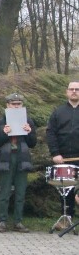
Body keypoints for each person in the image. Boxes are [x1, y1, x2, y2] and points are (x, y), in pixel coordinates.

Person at [0, 93, 36, 233]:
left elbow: (33, 143)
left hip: (22, 159)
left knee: (21, 193)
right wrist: (4, 133)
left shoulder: (28, 121)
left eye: (19, 104)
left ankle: (18, 221)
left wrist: (29, 132)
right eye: (13, 104)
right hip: (6, 159)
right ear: (7, 105)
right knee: (4, 192)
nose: (16, 106)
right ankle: (2, 221)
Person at [46, 80, 79, 225]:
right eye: (71, 89)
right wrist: (55, 153)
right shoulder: (58, 112)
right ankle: (67, 219)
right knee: (66, 190)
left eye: (77, 89)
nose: (74, 91)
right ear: (67, 92)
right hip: (64, 158)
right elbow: (51, 133)